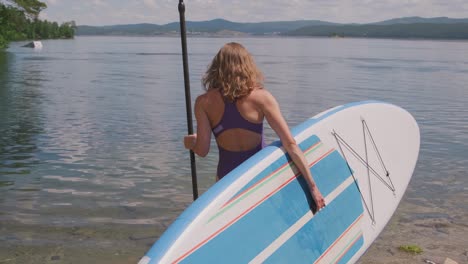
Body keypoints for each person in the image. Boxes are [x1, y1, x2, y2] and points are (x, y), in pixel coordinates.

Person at [184, 42, 325, 210]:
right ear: (247, 66)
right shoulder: (262, 98)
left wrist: (190, 142)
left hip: (226, 180)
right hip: (259, 176)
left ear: (216, 68)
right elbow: (290, 144)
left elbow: (202, 150)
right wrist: (312, 186)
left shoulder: (204, 102)